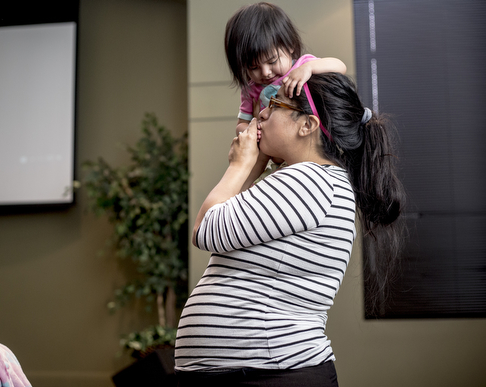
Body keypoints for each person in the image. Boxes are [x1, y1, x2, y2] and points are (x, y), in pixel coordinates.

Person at [174, 72, 406, 387]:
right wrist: (254, 166)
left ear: (307, 124)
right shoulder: (314, 180)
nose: (262, 112)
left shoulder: (309, 179)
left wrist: (239, 165)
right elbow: (228, 224)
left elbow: (206, 229)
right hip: (261, 371)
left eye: (275, 104)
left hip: (269, 373)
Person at [225, 2, 347, 136]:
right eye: (253, 67)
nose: (265, 72)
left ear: (290, 45)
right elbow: (241, 124)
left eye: (272, 61)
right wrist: (251, 130)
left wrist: (309, 68)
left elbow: (340, 66)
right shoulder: (251, 90)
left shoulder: (302, 66)